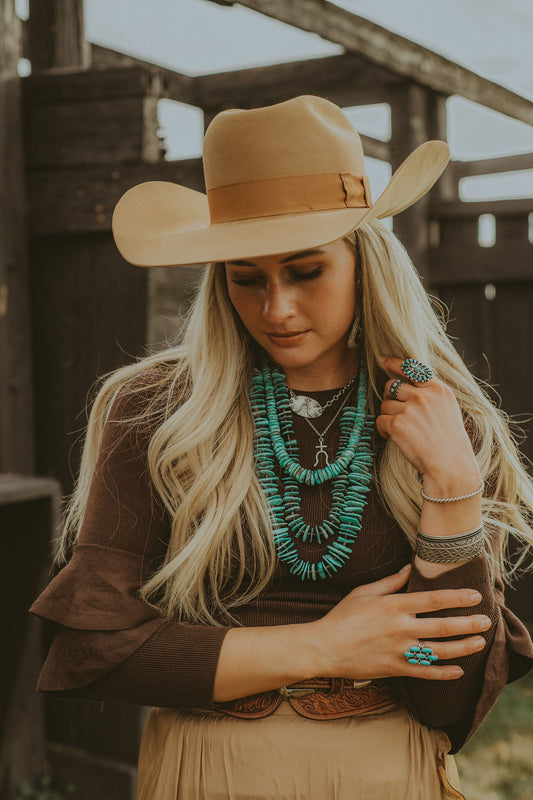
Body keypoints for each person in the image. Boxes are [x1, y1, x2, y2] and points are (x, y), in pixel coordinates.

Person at [31, 95, 533, 800]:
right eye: (245, 278)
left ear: (364, 259)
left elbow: (448, 705)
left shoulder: (440, 422)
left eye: (304, 272)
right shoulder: (154, 409)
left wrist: (451, 480)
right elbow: (93, 653)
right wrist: (325, 645)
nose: (276, 309)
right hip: (206, 775)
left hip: (383, 777)